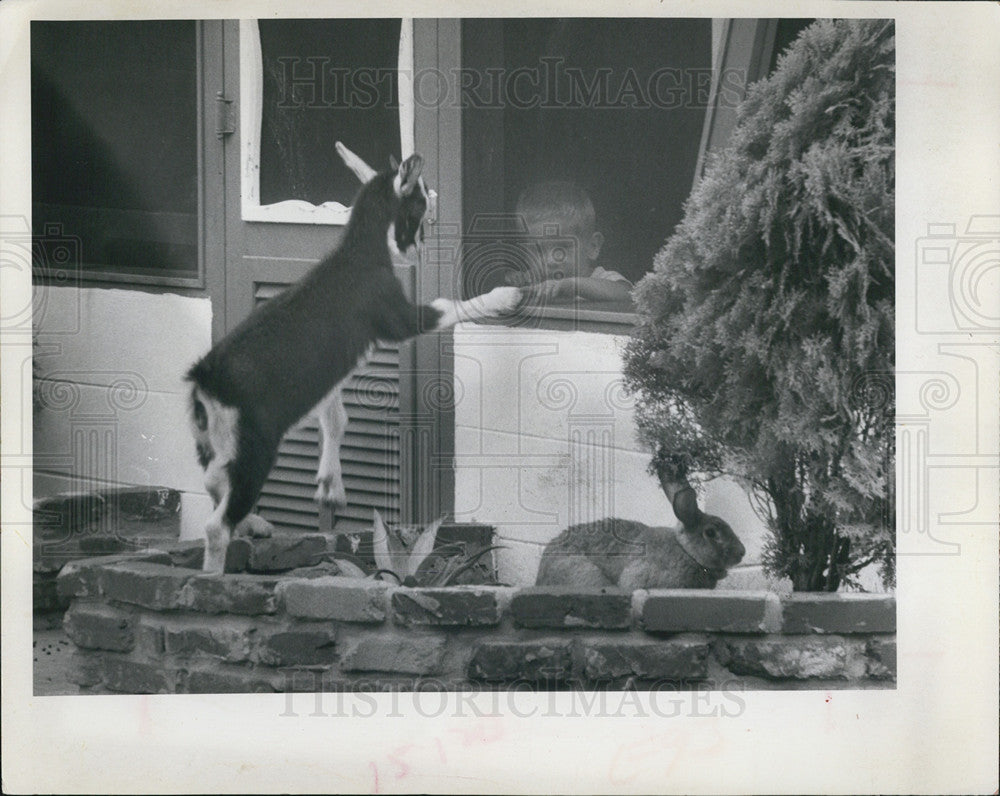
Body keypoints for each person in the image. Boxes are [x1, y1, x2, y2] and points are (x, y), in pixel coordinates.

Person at [506, 181, 632, 302]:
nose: (550, 261)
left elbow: (628, 294)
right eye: (538, 251)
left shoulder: (602, 278)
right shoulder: (535, 279)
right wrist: (517, 280)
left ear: (593, 246)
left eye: (563, 247)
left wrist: (573, 285)